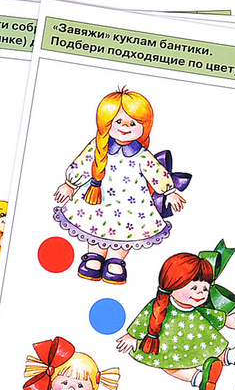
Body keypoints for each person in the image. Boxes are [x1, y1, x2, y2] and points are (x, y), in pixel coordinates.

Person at [53, 87, 187, 283]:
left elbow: (155, 171)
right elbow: (84, 163)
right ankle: (95, 255)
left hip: (131, 203)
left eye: (133, 123)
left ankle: (116, 259)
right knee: (95, 223)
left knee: (126, 229)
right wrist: (70, 184)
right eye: (118, 122)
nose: (125, 127)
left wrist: (170, 191)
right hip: (98, 197)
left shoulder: (141, 153)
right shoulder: (98, 145)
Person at [115, 244, 235, 390]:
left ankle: (232, 356)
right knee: (171, 365)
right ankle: (200, 379)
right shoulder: (159, 305)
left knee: (213, 346)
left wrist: (226, 320)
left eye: (205, 288)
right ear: (172, 284)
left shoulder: (197, 310)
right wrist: (132, 336)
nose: (201, 293)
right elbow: (146, 318)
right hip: (167, 345)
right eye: (194, 288)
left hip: (198, 340)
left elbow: (208, 315)